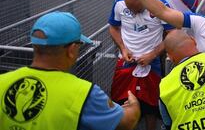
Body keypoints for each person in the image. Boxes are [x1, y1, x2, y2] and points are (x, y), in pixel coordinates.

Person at [0, 11, 140, 130]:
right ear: (72, 50)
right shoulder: (85, 93)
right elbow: (128, 122)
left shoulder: (3, 82)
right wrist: (134, 105)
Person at [109, 0, 173, 130]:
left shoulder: (160, 5)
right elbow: (113, 28)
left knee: (151, 104)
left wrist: (153, 55)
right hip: (125, 61)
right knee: (120, 100)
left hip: (152, 63)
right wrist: (123, 49)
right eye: (129, 9)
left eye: (137, 9)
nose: (133, 13)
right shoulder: (119, 4)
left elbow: (173, 34)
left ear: (144, 0)